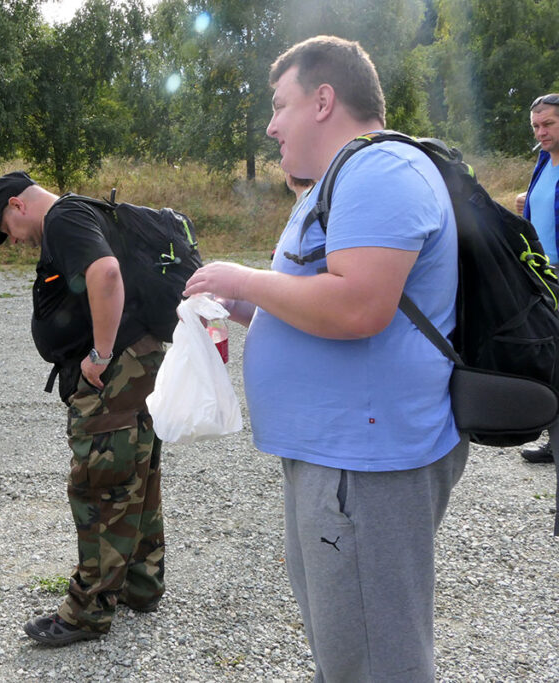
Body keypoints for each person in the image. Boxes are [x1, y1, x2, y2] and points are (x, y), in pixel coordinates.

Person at [184, 36, 468, 681]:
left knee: (374, 658)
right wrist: (242, 305)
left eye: (279, 104)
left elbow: (358, 308)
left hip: (361, 460)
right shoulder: (339, 180)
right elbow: (326, 303)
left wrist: (246, 277)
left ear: (323, 99)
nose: (270, 123)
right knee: (348, 645)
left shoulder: (377, 170)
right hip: (339, 454)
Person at [0, 171, 166, 646]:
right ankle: (142, 583)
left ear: (16, 205)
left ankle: (88, 611)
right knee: (137, 473)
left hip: (116, 369)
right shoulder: (82, 211)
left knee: (99, 484)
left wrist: (101, 354)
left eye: (8, 228)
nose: (16, 240)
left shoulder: (63, 218)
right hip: (140, 359)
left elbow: (105, 273)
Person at [515, 94, 559, 465]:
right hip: (544, 273)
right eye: (536, 126)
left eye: (548, 124)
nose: (541, 132)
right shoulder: (544, 161)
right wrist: (526, 203)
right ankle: (553, 440)